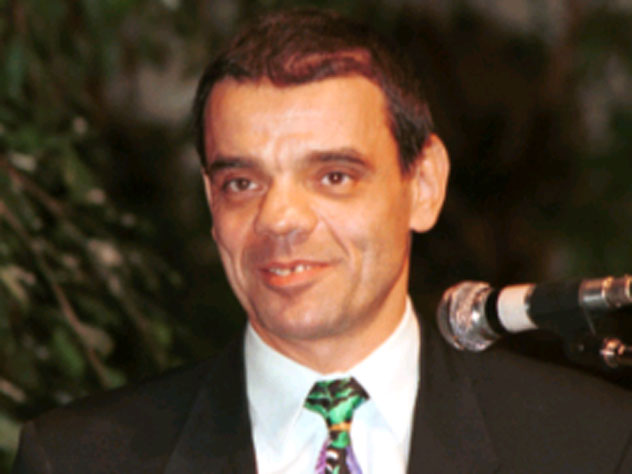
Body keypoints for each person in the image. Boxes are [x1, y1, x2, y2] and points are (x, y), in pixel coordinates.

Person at [12, 8, 632, 474]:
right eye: (242, 183)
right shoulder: (77, 460)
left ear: (424, 186)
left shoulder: (591, 445)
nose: (279, 219)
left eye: (333, 176)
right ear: (210, 203)